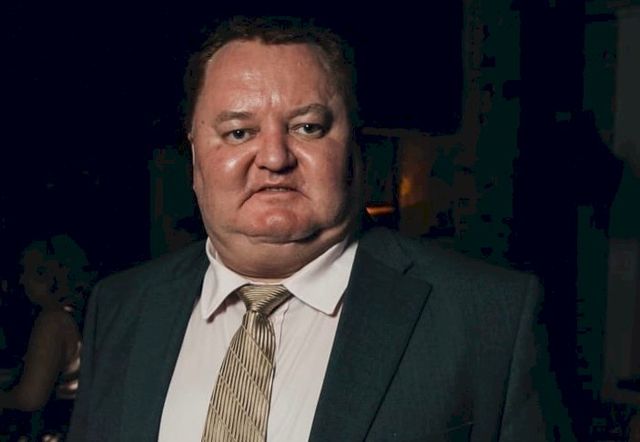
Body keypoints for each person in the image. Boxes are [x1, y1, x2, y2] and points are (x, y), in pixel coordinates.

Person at [68, 16, 572, 441]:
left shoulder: (489, 320)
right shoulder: (121, 308)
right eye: (239, 132)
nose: (274, 157)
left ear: (354, 145)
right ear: (195, 154)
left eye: (308, 127)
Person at [1, 235, 93, 440]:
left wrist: (4, 398)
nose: (22, 281)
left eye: (32, 272)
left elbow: (30, 398)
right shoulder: (82, 314)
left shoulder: (53, 321)